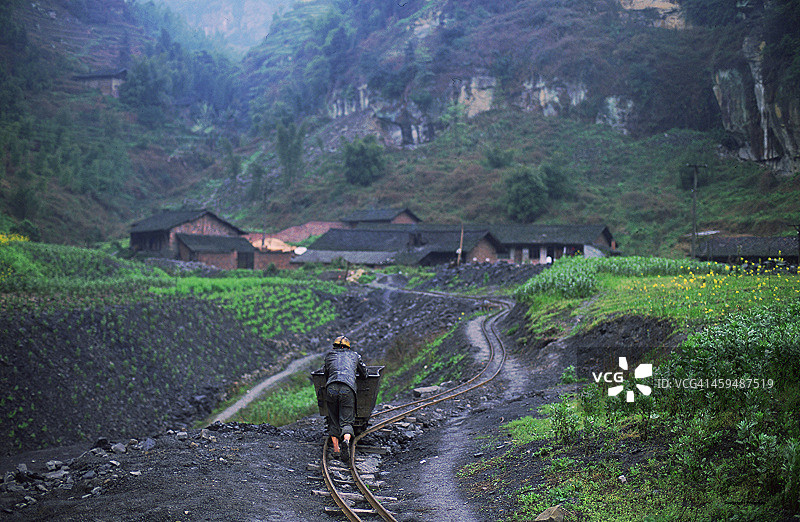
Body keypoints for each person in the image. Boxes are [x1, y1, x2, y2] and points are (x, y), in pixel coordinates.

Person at [323, 335, 367, 464]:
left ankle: (336, 449)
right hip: (347, 388)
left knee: (333, 418)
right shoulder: (355, 355)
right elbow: (364, 373)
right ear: (348, 347)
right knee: (347, 420)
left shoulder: (329, 356)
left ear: (335, 346)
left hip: (331, 388)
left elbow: (326, 373)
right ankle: (346, 441)